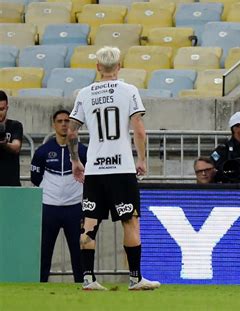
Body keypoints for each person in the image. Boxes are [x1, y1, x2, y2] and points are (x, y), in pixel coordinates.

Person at [67, 46, 160, 291]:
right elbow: (138, 127)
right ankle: (135, 278)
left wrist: (76, 161)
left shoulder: (84, 93)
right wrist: (141, 158)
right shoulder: (129, 90)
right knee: (130, 221)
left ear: (98, 67)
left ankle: (88, 278)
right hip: (121, 167)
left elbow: (72, 130)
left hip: (95, 170)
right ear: (119, 66)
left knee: (89, 223)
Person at [31, 110, 87, 283]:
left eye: (67, 121)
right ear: (54, 124)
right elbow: (35, 178)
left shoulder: (84, 151)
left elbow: (90, 179)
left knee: (78, 253)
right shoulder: (42, 152)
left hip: (74, 208)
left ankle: (82, 284)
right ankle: (40, 286)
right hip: (49, 208)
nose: (64, 124)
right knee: (45, 251)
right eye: (60, 121)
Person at [0, 90, 23, 186]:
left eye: (2, 109)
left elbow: (16, 147)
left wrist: (4, 144)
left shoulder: (15, 125)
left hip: (11, 184)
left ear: (7, 108)